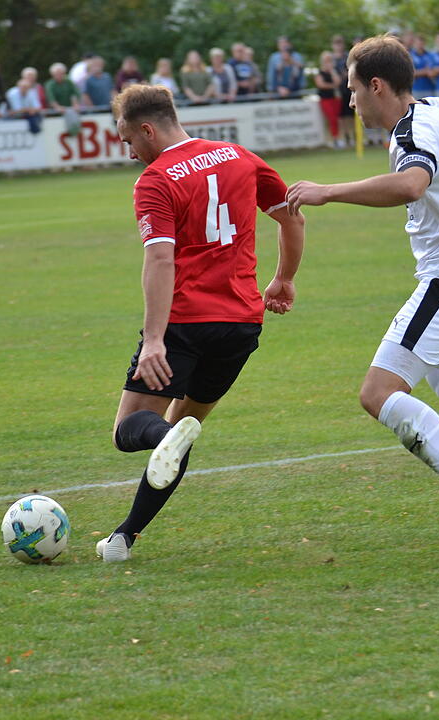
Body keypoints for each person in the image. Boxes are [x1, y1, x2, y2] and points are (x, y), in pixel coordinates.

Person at [286, 34, 439, 554]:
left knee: (377, 393)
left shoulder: (410, 132)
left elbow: (411, 185)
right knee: (431, 354)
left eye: (353, 89)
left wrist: (328, 191)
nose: (350, 100)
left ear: (377, 85)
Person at [96, 84, 306, 562]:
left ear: (148, 130)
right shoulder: (239, 156)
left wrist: (154, 339)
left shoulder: (155, 180)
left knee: (130, 431)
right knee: (182, 425)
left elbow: (160, 259)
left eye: (129, 141)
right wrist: (284, 279)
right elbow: (292, 218)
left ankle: (160, 447)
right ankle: (124, 539)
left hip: (185, 325)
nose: (130, 153)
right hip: (241, 325)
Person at [315, 51, 343, 147]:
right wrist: (333, 85)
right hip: (326, 99)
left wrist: (332, 71)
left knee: (337, 119)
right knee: (331, 118)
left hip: (335, 98)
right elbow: (321, 84)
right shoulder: (320, 72)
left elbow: (338, 82)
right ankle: (333, 138)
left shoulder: (334, 71)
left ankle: (339, 138)